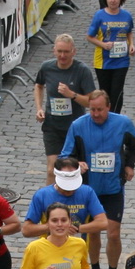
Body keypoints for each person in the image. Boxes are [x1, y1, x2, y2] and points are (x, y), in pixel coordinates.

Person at [60, 90, 135, 269]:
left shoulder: (122, 123)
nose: (95, 114)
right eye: (92, 110)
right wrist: (76, 163)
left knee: (113, 233)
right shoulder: (78, 125)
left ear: (108, 107)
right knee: (92, 232)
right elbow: (64, 156)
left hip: (113, 187)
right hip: (88, 189)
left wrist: (129, 165)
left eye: (99, 110)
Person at [36, 35, 98, 181]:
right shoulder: (47, 67)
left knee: (74, 169)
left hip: (75, 128)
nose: (62, 55)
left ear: (73, 52)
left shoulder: (82, 71)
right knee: (52, 169)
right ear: (54, 51)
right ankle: (52, 201)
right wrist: (39, 108)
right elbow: (38, 86)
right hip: (52, 126)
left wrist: (72, 95)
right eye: (59, 51)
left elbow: (91, 102)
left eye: (66, 52)